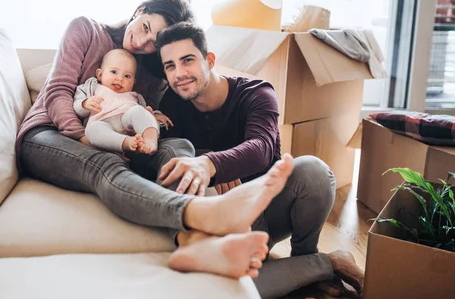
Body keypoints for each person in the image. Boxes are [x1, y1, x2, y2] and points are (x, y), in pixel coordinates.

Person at [16, 0, 291, 279]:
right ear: (139, 10)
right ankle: (205, 215)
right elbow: (58, 90)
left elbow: (147, 121)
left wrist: (158, 130)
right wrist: (84, 138)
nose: (141, 43)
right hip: (48, 135)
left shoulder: (152, 71)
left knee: (178, 148)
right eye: (145, 27)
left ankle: (191, 242)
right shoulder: (86, 29)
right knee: (107, 165)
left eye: (152, 42)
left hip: (115, 141)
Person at [153, 22, 365, 298]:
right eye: (170, 66)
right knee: (217, 290)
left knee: (314, 170)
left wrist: (211, 164)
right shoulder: (171, 104)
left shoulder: (256, 93)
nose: (179, 73)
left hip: (268, 207)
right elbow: (172, 157)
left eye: (187, 60)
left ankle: (304, 256)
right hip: (221, 222)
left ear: (210, 60)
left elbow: (261, 148)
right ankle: (322, 266)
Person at [73, 48, 172, 154]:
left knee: (138, 111)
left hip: (127, 122)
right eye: (114, 72)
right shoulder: (91, 87)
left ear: (133, 82)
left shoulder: (135, 97)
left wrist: (155, 115)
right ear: (100, 75)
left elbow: (145, 112)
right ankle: (126, 143)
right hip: (102, 123)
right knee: (91, 130)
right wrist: (85, 104)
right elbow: (77, 107)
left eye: (127, 76)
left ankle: (150, 140)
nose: (120, 79)